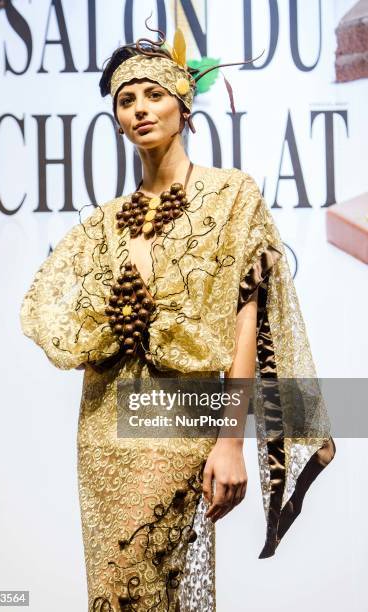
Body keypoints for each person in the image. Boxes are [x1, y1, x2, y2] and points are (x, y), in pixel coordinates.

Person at [20, 23, 335, 612]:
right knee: (115, 593)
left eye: (153, 94)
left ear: (184, 104)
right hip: (102, 428)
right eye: (125, 100)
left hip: (180, 419)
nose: (140, 109)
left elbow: (249, 321)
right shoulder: (105, 221)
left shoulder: (230, 195)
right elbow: (54, 310)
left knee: (149, 584)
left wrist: (231, 441)